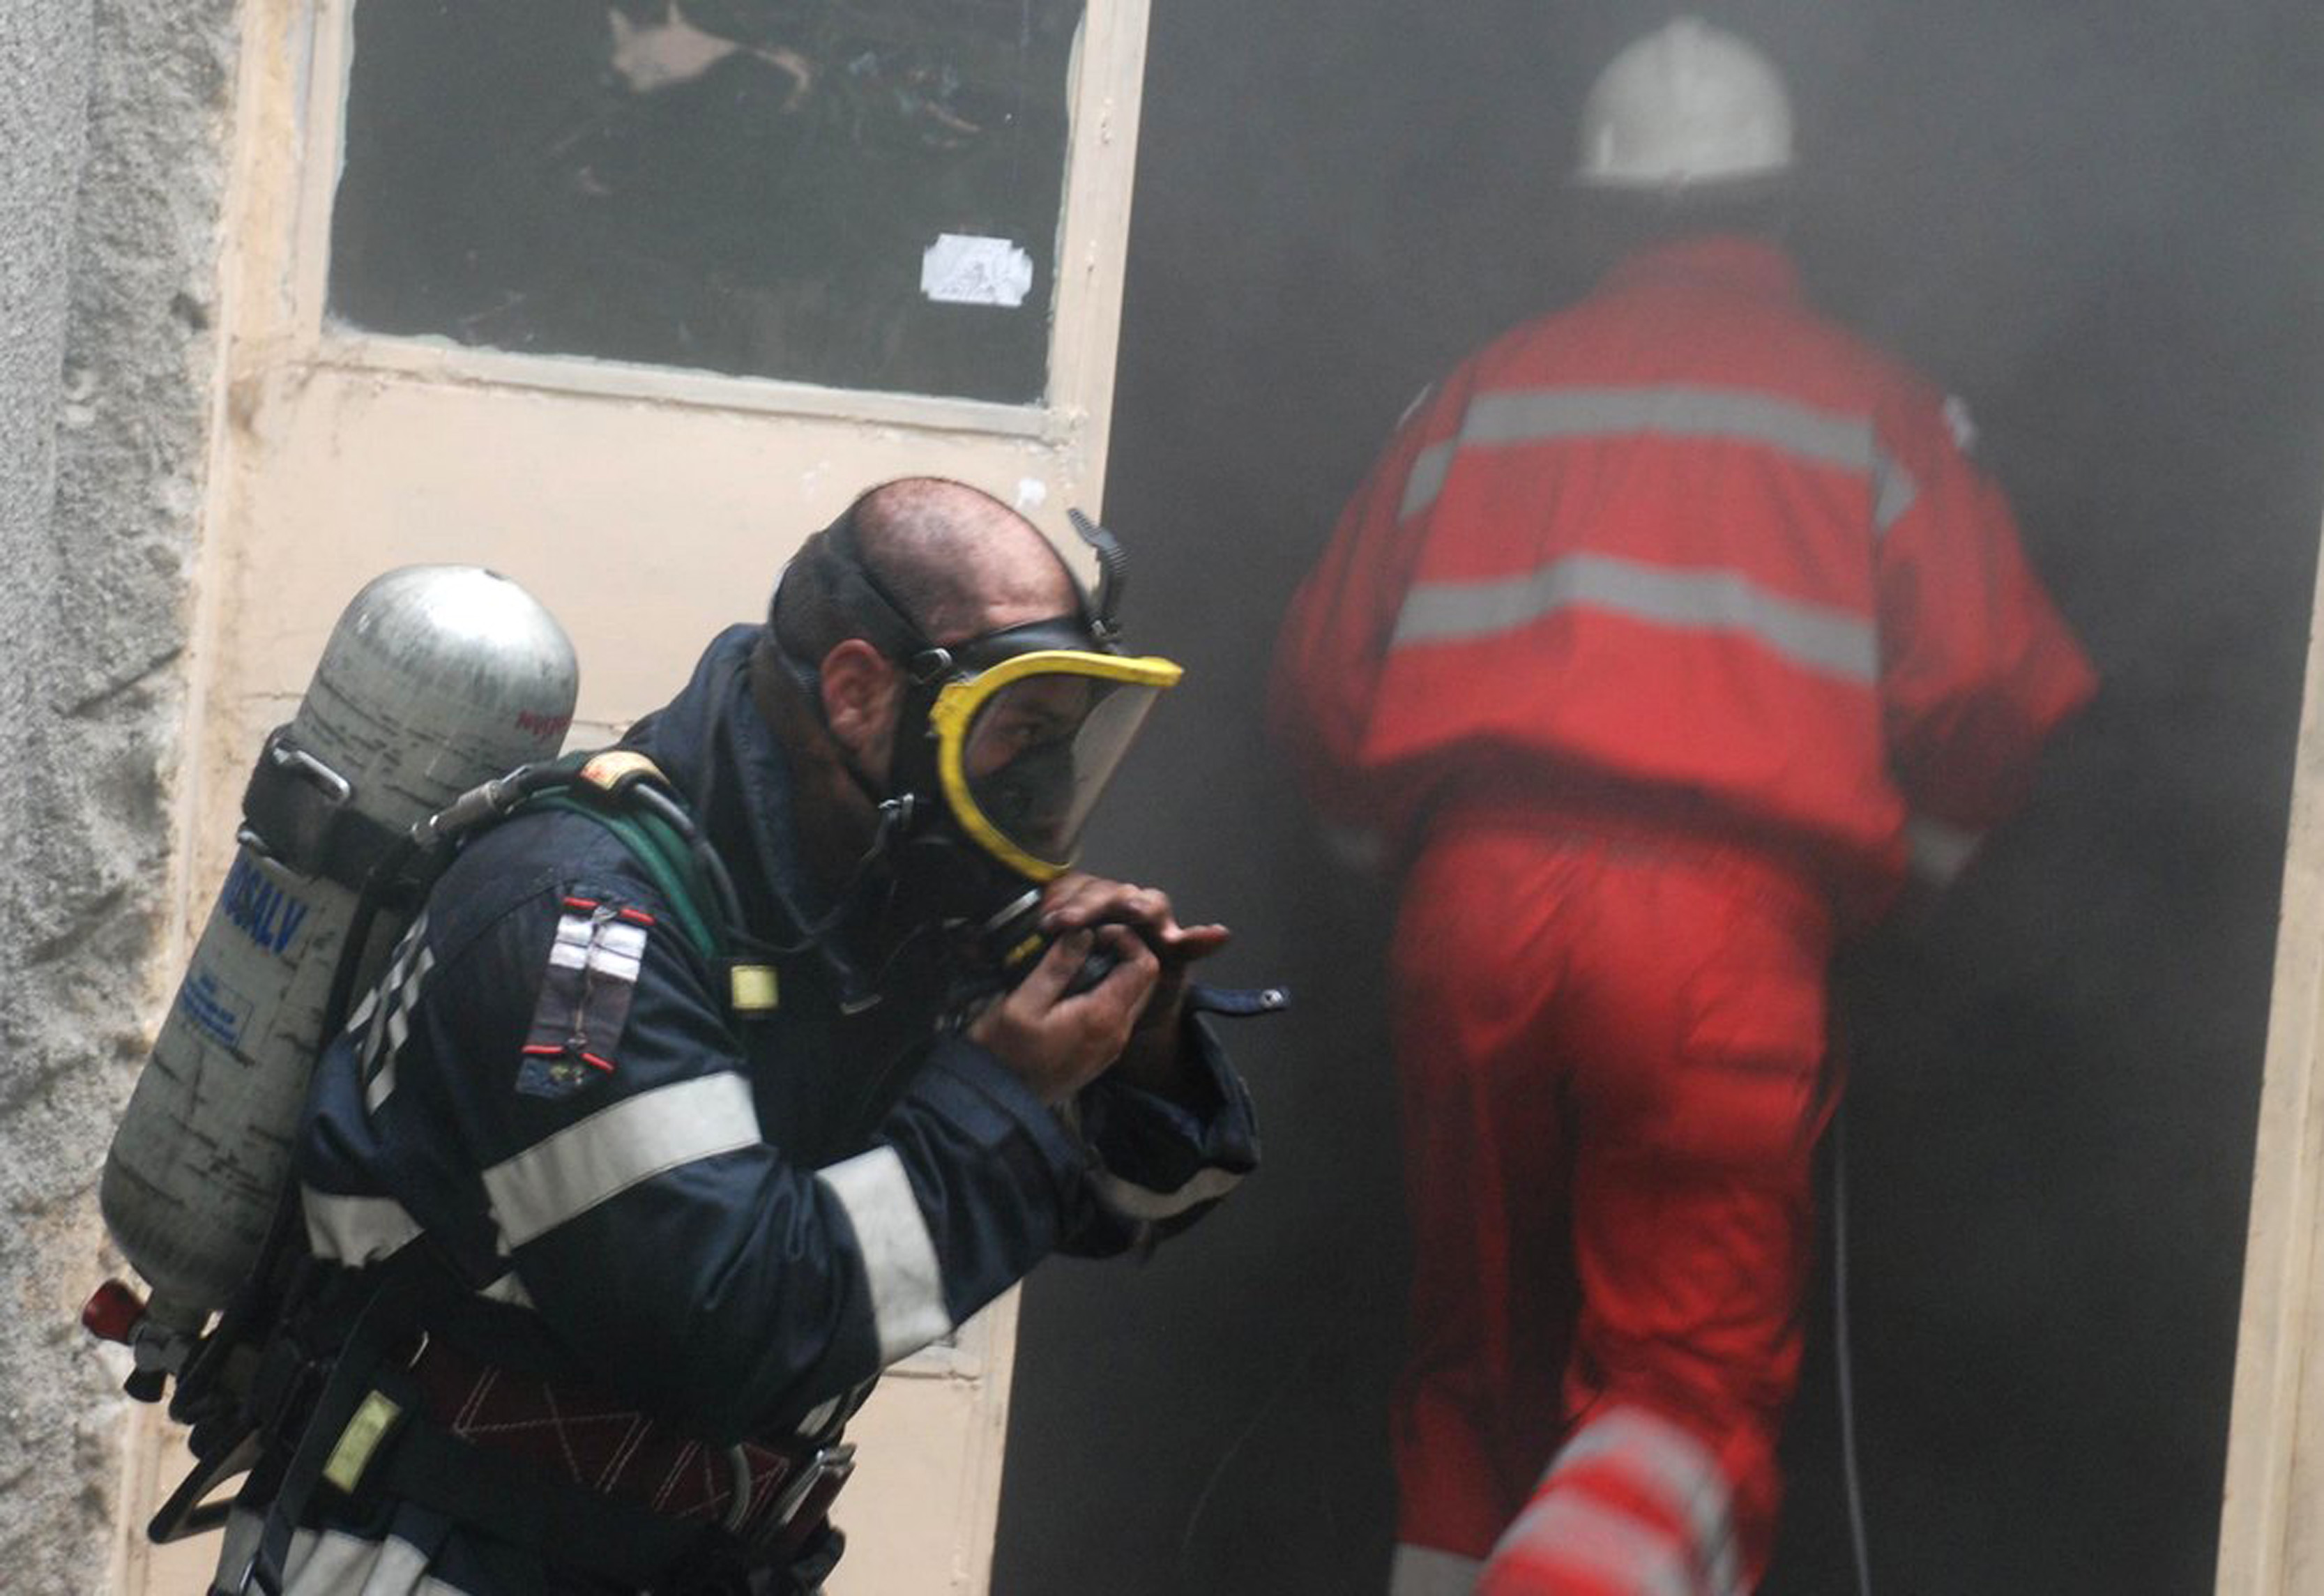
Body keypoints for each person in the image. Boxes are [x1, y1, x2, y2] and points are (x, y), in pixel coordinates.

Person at [1270, 19, 2095, 1595]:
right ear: (1781, 200)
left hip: (1466, 913)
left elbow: (1321, 681)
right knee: (1682, 1398)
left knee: (1470, 1373)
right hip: (1718, 941)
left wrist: (1388, 855)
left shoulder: (1475, 393)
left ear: (1591, 210)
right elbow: (1992, 688)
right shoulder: (1873, 404)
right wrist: (1904, 885)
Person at [215, 477, 1261, 1595]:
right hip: (428, 1552)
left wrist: (1138, 1043)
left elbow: (1142, 1200)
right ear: (858, 692)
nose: (1047, 779)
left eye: (1068, 739)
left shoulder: (876, 911)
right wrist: (999, 1087)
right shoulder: (581, 928)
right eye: (1021, 731)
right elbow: (725, 1327)